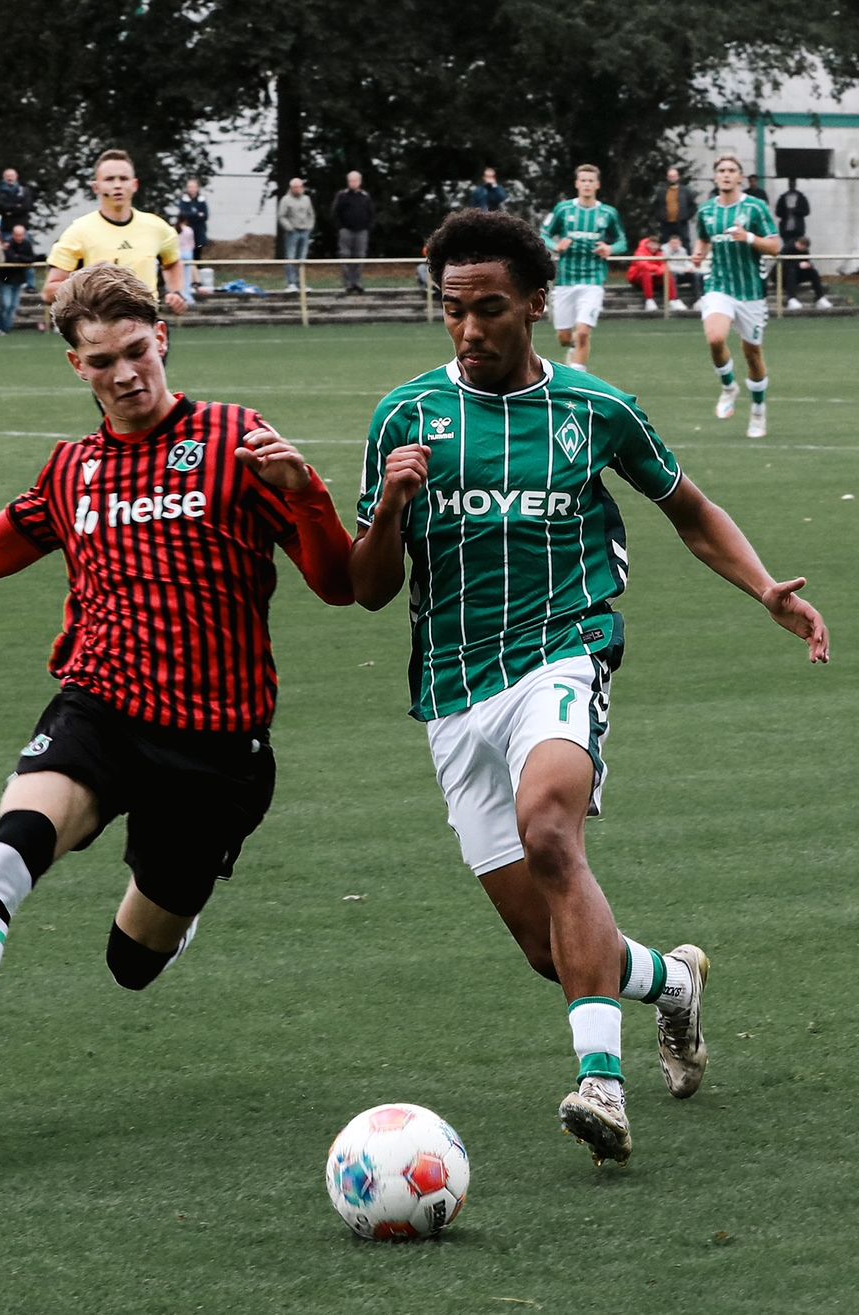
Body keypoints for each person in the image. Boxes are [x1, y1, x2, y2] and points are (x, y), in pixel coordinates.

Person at [0, 261, 354, 1140]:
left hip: (215, 751)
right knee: (11, 847)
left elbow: (338, 585)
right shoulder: (72, 470)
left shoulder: (237, 440)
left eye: (136, 351)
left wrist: (308, 494)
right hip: (98, 708)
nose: (125, 374)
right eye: (101, 361)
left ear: (163, 337)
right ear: (76, 368)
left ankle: (180, 898)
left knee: (131, 962)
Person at [348, 209, 830, 1166]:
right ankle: (669, 982)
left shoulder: (594, 410)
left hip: (565, 651)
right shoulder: (404, 418)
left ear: (537, 303)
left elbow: (688, 511)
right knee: (548, 947)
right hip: (450, 688)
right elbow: (367, 591)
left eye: (489, 309)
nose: (470, 328)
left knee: (551, 831)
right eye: (453, 311)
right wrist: (393, 507)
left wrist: (764, 586)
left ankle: (600, 1086)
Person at [692, 155, 780, 438]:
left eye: (732, 170)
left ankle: (757, 411)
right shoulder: (706, 211)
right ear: (715, 178)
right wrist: (699, 253)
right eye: (721, 171)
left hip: (751, 291)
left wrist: (750, 238)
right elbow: (704, 238)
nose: (726, 174)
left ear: (740, 177)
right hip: (719, 286)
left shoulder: (755, 208)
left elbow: (775, 246)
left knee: (752, 354)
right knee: (715, 338)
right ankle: (728, 386)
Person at [42, 150, 187, 321]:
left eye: (123, 179)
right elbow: (49, 292)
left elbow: (172, 263)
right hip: (102, 328)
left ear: (134, 185)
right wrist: (93, 291)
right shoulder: (79, 231)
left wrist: (176, 292)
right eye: (109, 179)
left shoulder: (156, 227)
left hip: (147, 327)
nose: (117, 185)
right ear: (96, 187)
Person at [540, 163, 625, 370]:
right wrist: (556, 245)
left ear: (597, 185)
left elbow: (622, 241)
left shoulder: (608, 213)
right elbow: (543, 234)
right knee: (564, 337)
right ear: (577, 184)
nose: (587, 184)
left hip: (593, 279)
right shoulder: (563, 209)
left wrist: (609, 248)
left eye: (591, 181)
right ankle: (573, 347)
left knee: (584, 332)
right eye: (583, 181)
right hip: (565, 280)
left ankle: (578, 378)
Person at [331, 171, 373, 293]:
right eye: (351, 180)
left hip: (362, 231)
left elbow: (371, 213)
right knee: (345, 256)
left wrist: (367, 226)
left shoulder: (365, 196)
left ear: (360, 182)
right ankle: (347, 283)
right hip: (346, 231)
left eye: (355, 180)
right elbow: (335, 212)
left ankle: (357, 282)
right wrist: (340, 227)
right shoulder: (342, 195)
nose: (353, 183)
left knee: (359, 257)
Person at [276, 177, 314, 291]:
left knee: (302, 258)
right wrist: (289, 228)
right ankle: (291, 283)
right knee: (291, 258)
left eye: (300, 186)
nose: (299, 189)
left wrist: (309, 226)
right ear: (291, 188)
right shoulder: (286, 200)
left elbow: (311, 214)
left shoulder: (307, 199)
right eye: (296, 187)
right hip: (292, 232)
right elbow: (281, 216)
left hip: (305, 232)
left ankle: (301, 283)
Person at [0, 223, 36, 331]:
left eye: (21, 235)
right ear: (13, 235)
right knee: (6, 304)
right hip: (6, 278)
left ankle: (7, 327)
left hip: (19, 278)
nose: (19, 237)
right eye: (17, 235)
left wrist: (19, 257)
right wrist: (21, 258)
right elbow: (11, 258)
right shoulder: (7, 243)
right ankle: (0, 326)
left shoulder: (27, 244)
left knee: (13, 305)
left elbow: (31, 258)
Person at [779, 235, 828, 310]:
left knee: (813, 272)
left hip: (797, 274)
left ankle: (820, 297)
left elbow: (806, 260)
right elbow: (783, 264)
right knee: (791, 271)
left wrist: (808, 266)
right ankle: (791, 299)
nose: (802, 249)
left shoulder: (804, 251)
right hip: (782, 275)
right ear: (798, 243)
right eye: (802, 246)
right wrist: (798, 265)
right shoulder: (787, 248)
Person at [773, 176, 810, 264]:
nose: (792, 185)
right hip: (786, 229)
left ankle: (798, 266)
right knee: (787, 248)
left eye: (793, 183)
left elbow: (806, 211)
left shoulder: (801, 197)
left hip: (798, 229)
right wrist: (786, 212)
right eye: (790, 183)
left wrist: (795, 211)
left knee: (798, 248)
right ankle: (787, 266)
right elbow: (778, 212)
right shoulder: (783, 197)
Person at [623, 234, 664, 309]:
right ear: (648, 244)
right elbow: (642, 265)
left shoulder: (660, 253)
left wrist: (658, 271)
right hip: (636, 276)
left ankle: (673, 299)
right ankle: (649, 300)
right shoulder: (640, 251)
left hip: (654, 276)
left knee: (668, 274)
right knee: (646, 273)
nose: (653, 247)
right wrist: (656, 268)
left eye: (655, 245)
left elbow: (664, 265)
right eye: (652, 244)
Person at [657, 166, 695, 244]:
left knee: (685, 241)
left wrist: (686, 216)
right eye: (670, 176)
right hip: (666, 223)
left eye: (674, 176)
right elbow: (657, 205)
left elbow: (692, 206)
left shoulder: (685, 191)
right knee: (665, 243)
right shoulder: (662, 191)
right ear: (667, 178)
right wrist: (660, 216)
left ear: (678, 177)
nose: (672, 178)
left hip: (681, 223)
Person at [0, 168, 33, 235]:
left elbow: (26, 206)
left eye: (12, 176)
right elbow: (0, 206)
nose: (10, 178)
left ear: (16, 177)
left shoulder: (24, 191)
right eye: (7, 176)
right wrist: (17, 206)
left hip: (22, 228)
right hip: (6, 228)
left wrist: (10, 212)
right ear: (4, 177)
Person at [176, 178, 209, 257]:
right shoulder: (183, 201)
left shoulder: (202, 201)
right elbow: (183, 214)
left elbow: (205, 216)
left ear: (197, 188)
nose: (191, 189)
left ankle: (197, 266)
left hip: (199, 231)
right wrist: (197, 214)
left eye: (193, 187)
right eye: (189, 187)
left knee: (198, 250)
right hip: (186, 232)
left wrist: (192, 215)